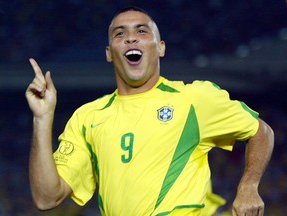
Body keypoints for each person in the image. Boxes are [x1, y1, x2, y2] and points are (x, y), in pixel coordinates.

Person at [25, 6, 274, 216]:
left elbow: (261, 131)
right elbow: (47, 198)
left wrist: (248, 186)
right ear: (109, 53)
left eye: (141, 31)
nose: (131, 38)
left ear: (161, 47)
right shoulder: (88, 117)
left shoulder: (194, 98)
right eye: (120, 33)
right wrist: (43, 118)